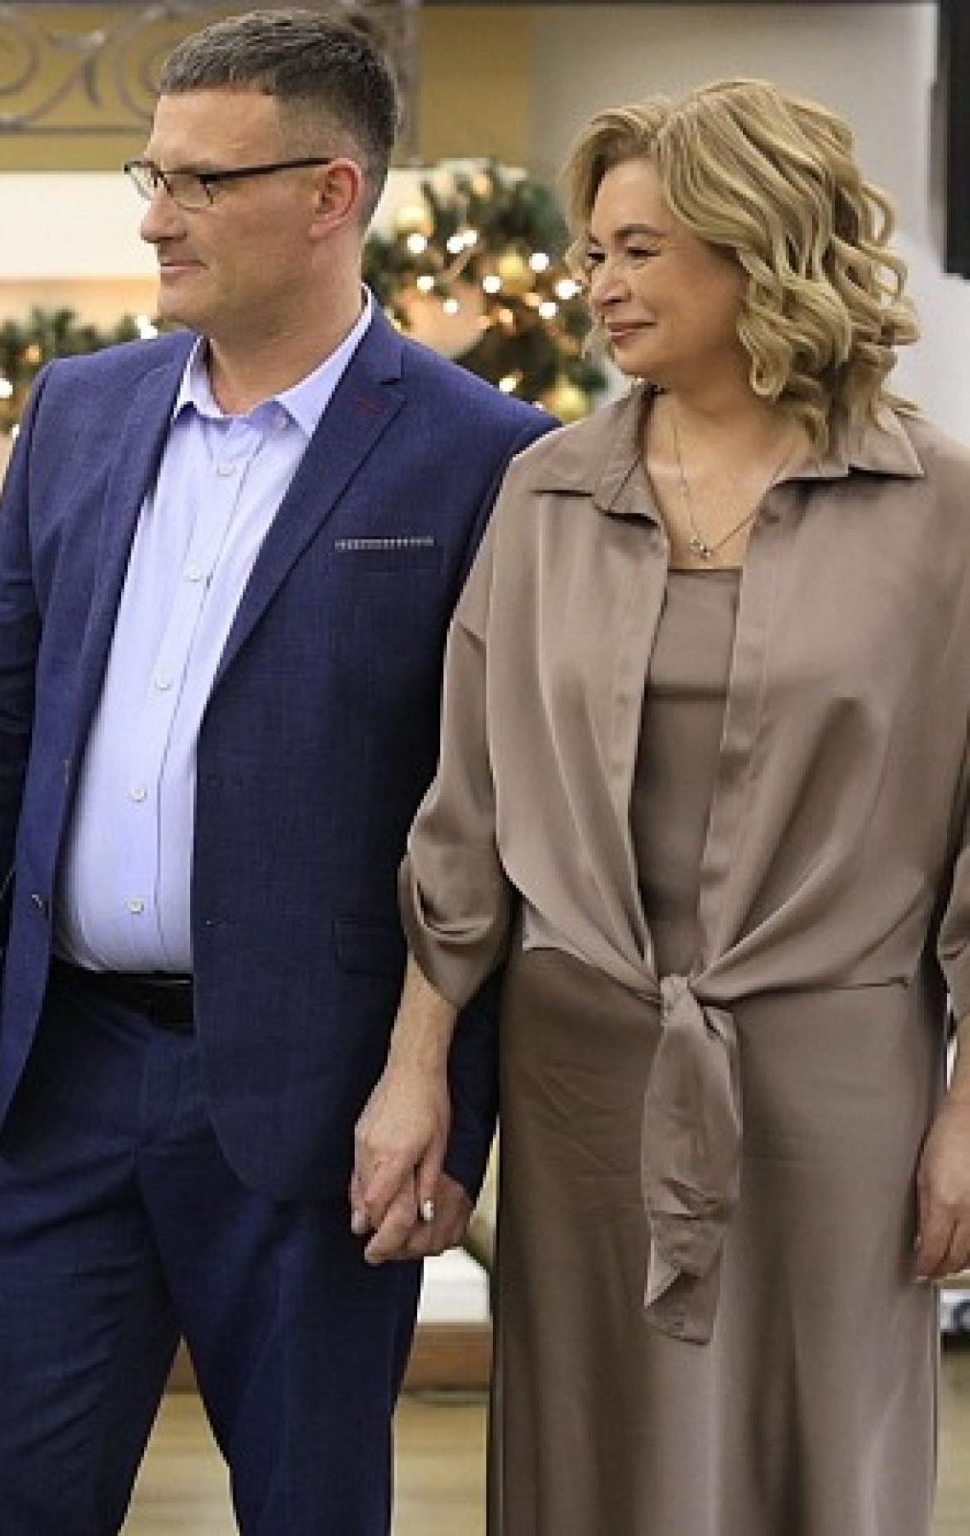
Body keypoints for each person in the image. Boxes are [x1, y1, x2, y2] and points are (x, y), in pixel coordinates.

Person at [0, 11, 553, 1533]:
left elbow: (496, 811)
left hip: (320, 1107)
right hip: (58, 1081)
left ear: (331, 193)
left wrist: (451, 1103)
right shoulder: (76, 411)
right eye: (153, 174)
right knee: (13, 1505)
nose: (155, 216)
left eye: (200, 181)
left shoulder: (489, 455)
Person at [353, 79, 966, 1536]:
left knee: (818, 1458)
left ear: (762, 250)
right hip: (583, 1083)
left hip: (838, 1088)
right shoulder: (546, 494)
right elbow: (468, 813)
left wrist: (967, 1110)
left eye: (640, 250)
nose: (601, 286)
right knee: (593, 1464)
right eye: (593, 252)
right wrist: (414, 1070)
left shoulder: (940, 509)